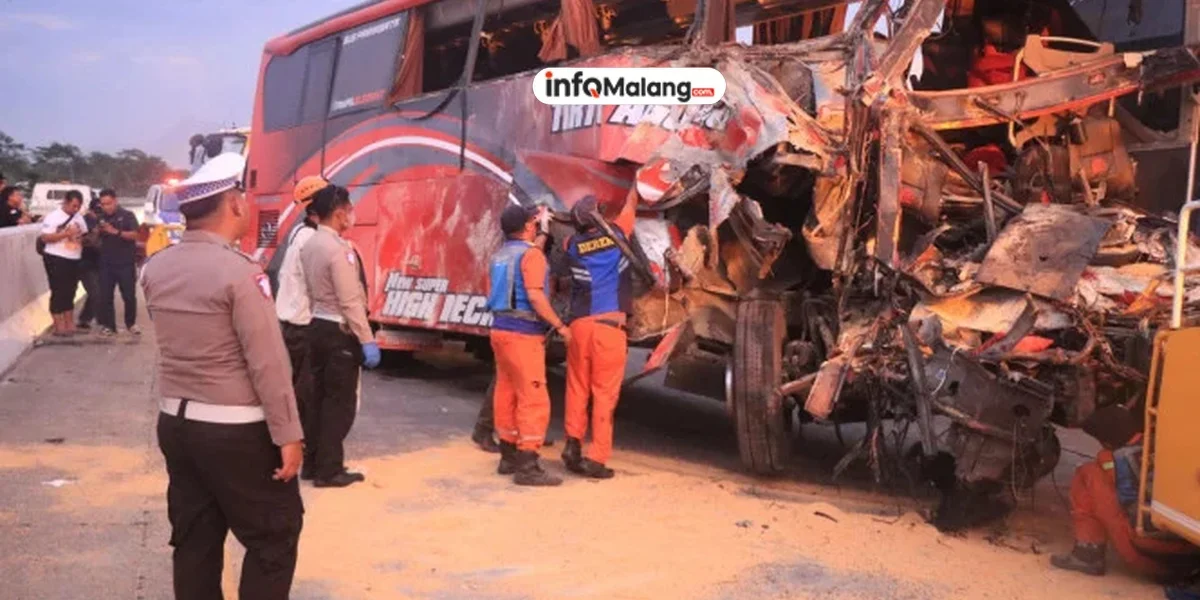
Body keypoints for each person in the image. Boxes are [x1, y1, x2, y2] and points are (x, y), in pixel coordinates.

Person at [140, 153, 304, 600]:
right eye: (243, 197)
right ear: (233, 203)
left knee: (195, 538)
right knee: (273, 536)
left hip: (176, 423)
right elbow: (268, 363)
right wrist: (288, 433)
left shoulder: (156, 267)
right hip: (235, 430)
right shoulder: (241, 273)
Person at [1052, 405, 1197, 579]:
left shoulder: (1113, 458)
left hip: (1153, 557)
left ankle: (1087, 554)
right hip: (1193, 554)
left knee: (1088, 474)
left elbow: (1118, 503)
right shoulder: (1167, 445)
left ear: (1107, 442)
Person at [299, 184, 379, 488]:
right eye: (349, 210)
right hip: (338, 332)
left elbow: (310, 291)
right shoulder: (340, 250)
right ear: (338, 213)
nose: (352, 215)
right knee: (339, 405)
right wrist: (366, 338)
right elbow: (350, 300)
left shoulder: (310, 245)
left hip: (317, 325)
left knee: (317, 400)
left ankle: (312, 463)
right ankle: (329, 470)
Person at [486, 203, 568, 486]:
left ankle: (508, 456)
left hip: (500, 330)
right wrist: (559, 325)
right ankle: (528, 465)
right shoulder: (532, 256)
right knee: (533, 397)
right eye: (533, 223)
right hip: (524, 335)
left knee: (506, 392)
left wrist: (541, 233)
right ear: (526, 227)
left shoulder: (500, 255)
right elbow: (534, 295)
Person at [559, 189, 638, 479]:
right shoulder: (618, 234)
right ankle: (596, 459)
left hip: (579, 326)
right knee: (604, 395)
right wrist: (635, 183)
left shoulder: (570, 244)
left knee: (577, 389)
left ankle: (572, 446)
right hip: (609, 328)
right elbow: (632, 203)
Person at [275, 175, 328, 480]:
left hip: (290, 323)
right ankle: (301, 450)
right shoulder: (311, 239)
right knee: (306, 393)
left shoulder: (300, 232)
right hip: (302, 325)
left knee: (296, 391)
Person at [39, 190, 88, 336]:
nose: (76, 209)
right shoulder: (53, 216)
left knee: (70, 291)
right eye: (73, 206)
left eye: (78, 206)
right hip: (56, 257)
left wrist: (80, 238)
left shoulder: (78, 217)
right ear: (66, 202)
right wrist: (66, 234)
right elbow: (45, 237)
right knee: (58, 291)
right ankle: (58, 325)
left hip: (74, 257)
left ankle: (69, 323)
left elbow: (84, 234)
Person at [94, 189, 141, 336]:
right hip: (106, 263)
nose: (106, 207)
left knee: (129, 295)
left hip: (125, 263)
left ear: (115, 201)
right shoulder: (100, 218)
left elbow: (136, 235)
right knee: (105, 296)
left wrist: (116, 232)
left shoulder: (127, 215)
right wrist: (96, 232)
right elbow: (94, 239)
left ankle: (131, 323)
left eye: (108, 203)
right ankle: (109, 325)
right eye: (103, 204)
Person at [75, 198, 102, 331]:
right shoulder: (84, 221)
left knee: (98, 291)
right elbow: (84, 240)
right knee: (95, 292)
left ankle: (85, 319)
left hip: (100, 262)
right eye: (97, 210)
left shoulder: (106, 220)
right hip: (85, 262)